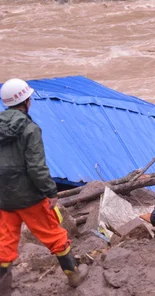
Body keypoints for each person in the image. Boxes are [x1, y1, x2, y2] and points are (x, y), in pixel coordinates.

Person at [0, 79, 88, 293]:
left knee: (5, 241)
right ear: (26, 101)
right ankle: (74, 274)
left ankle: (3, 287)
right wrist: (50, 191)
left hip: (4, 196)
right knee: (53, 233)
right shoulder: (30, 129)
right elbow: (36, 168)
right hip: (30, 196)